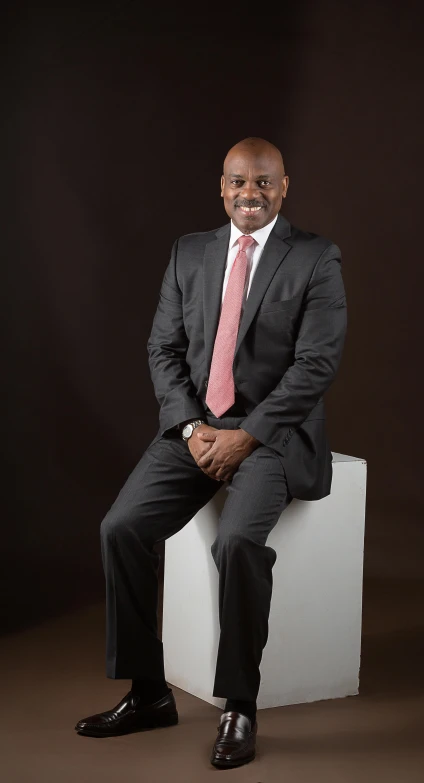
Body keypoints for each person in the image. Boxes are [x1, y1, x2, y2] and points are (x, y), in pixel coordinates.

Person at [75, 137, 347, 769]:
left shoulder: (314, 258)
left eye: (262, 183)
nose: (248, 193)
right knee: (122, 528)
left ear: (283, 188)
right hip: (197, 427)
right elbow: (162, 351)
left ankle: (240, 706)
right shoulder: (189, 253)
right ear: (221, 188)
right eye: (236, 182)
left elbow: (316, 365)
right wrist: (194, 428)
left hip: (273, 434)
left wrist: (246, 436)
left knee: (236, 544)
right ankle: (147, 693)